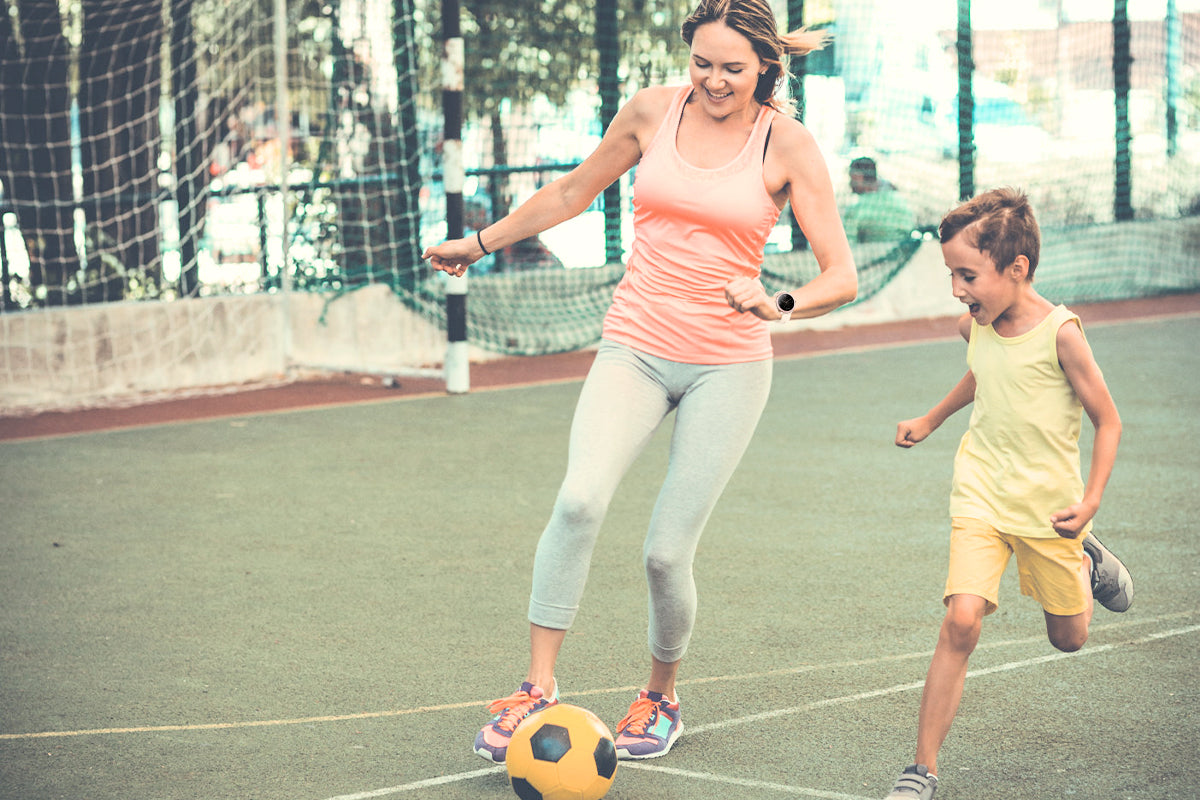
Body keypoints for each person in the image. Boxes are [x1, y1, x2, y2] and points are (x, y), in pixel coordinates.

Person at [424, 0, 857, 764]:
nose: (714, 80)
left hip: (729, 364)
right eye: (702, 63)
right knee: (578, 500)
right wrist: (480, 243)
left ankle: (660, 697)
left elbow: (840, 276)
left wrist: (779, 302)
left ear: (764, 66)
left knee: (664, 553)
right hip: (636, 344)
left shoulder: (785, 143)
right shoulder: (652, 112)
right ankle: (536, 688)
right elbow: (571, 193)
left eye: (732, 68)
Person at [885, 187, 1134, 799]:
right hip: (981, 493)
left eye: (967, 276)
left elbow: (1108, 420)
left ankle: (1086, 558)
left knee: (1069, 639)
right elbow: (985, 371)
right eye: (951, 274)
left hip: (1049, 511)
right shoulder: (976, 324)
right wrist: (932, 418)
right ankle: (921, 770)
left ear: (1016, 268)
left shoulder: (1061, 334)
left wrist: (1090, 502)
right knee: (961, 619)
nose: (956, 290)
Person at [840, 155, 915, 243]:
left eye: (852, 178)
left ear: (859, 177)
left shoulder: (857, 208)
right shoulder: (899, 200)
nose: (850, 184)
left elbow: (847, 242)